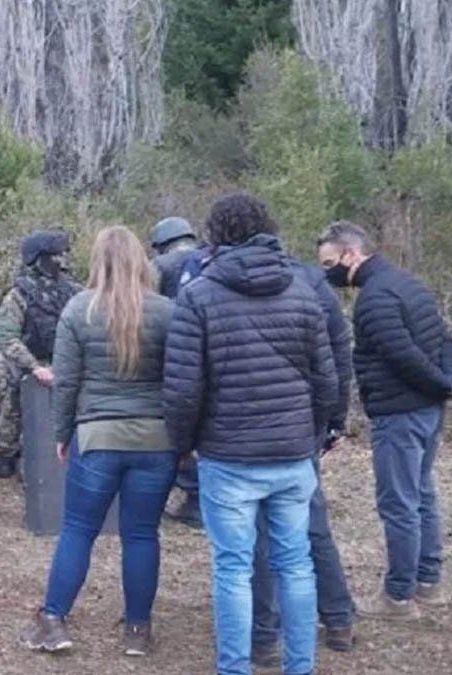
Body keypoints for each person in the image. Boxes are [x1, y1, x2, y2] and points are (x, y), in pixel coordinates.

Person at [162, 194, 338, 675]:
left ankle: (235, 668)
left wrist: (181, 445)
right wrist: (318, 433)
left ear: (215, 235)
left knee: (234, 568)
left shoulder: (198, 295)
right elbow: (326, 377)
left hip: (229, 455)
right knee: (295, 564)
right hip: (291, 452)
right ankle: (300, 666)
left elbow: (182, 389)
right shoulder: (303, 289)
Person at [18, 226, 176, 657]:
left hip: (97, 437)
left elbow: (66, 382)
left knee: (78, 530)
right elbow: (180, 381)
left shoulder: (78, 310)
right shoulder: (166, 312)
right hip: (155, 440)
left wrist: (62, 433)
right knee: (142, 535)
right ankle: (138, 631)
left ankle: (53, 620)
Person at [317, 221, 450, 619]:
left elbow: (403, 356)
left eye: (329, 263)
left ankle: (399, 595)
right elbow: (443, 338)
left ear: (350, 254)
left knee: (399, 503)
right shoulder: (408, 283)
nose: (327, 273)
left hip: (401, 412)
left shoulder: (375, 299)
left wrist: (441, 384)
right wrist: (443, 386)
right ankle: (429, 582)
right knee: (422, 493)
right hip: (426, 409)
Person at [250, 252, 357, 664]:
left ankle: (266, 634)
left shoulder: (219, 282)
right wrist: (332, 418)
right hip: (302, 423)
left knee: (258, 532)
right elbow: (338, 358)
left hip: (245, 428)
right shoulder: (313, 285)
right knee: (310, 522)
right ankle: (338, 618)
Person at [0, 229, 83, 479]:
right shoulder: (19, 294)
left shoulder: (72, 291)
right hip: (24, 360)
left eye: (63, 254)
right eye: (55, 255)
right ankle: (4, 455)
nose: (61, 260)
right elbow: (6, 338)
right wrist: (34, 367)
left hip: (60, 359)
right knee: (15, 402)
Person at [148, 216, 205, 528]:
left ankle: (189, 494)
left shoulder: (160, 266)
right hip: (210, 357)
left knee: (171, 429)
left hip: (172, 357)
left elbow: (145, 306)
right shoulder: (211, 257)